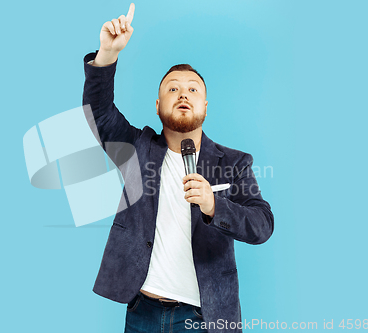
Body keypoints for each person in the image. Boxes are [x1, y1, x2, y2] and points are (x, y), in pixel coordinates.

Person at [82, 4, 274, 333]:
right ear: (158, 105)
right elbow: (97, 112)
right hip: (143, 311)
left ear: (205, 106)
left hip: (204, 318)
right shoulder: (136, 148)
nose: (183, 94)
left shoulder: (234, 163)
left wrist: (214, 205)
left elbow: (262, 225)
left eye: (192, 89)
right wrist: (108, 54)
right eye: (173, 88)